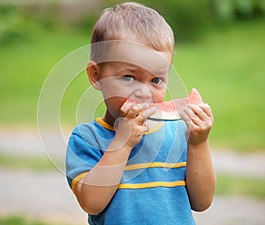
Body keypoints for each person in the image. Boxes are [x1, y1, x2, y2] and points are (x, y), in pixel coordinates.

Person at [66, 2, 216, 225]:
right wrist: (122, 143)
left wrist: (198, 143)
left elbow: (202, 202)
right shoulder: (87, 138)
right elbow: (91, 202)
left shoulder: (177, 132)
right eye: (129, 77)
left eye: (156, 80)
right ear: (97, 76)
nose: (144, 92)